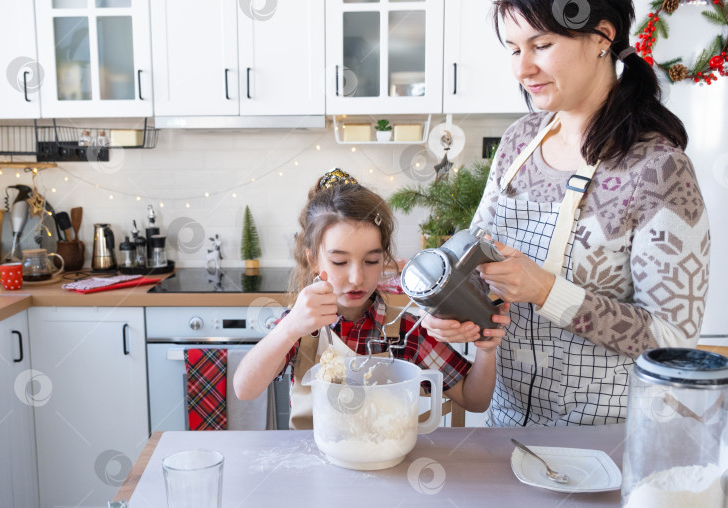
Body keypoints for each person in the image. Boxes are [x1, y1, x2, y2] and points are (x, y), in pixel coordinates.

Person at [423, 0, 710, 427]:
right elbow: (474, 257)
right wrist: (452, 309)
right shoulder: (520, 141)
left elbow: (672, 339)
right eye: (514, 49)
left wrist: (545, 290)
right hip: (506, 427)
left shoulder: (656, 169)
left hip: (607, 437)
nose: (523, 70)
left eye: (541, 45)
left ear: (602, 38)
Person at [233, 169, 510, 430]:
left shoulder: (403, 332)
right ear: (313, 260)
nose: (356, 277)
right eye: (340, 261)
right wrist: (289, 327)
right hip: (315, 473)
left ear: (384, 260)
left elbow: (474, 400)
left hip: (387, 467)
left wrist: (486, 351)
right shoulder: (303, 329)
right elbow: (245, 389)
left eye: (371, 260)